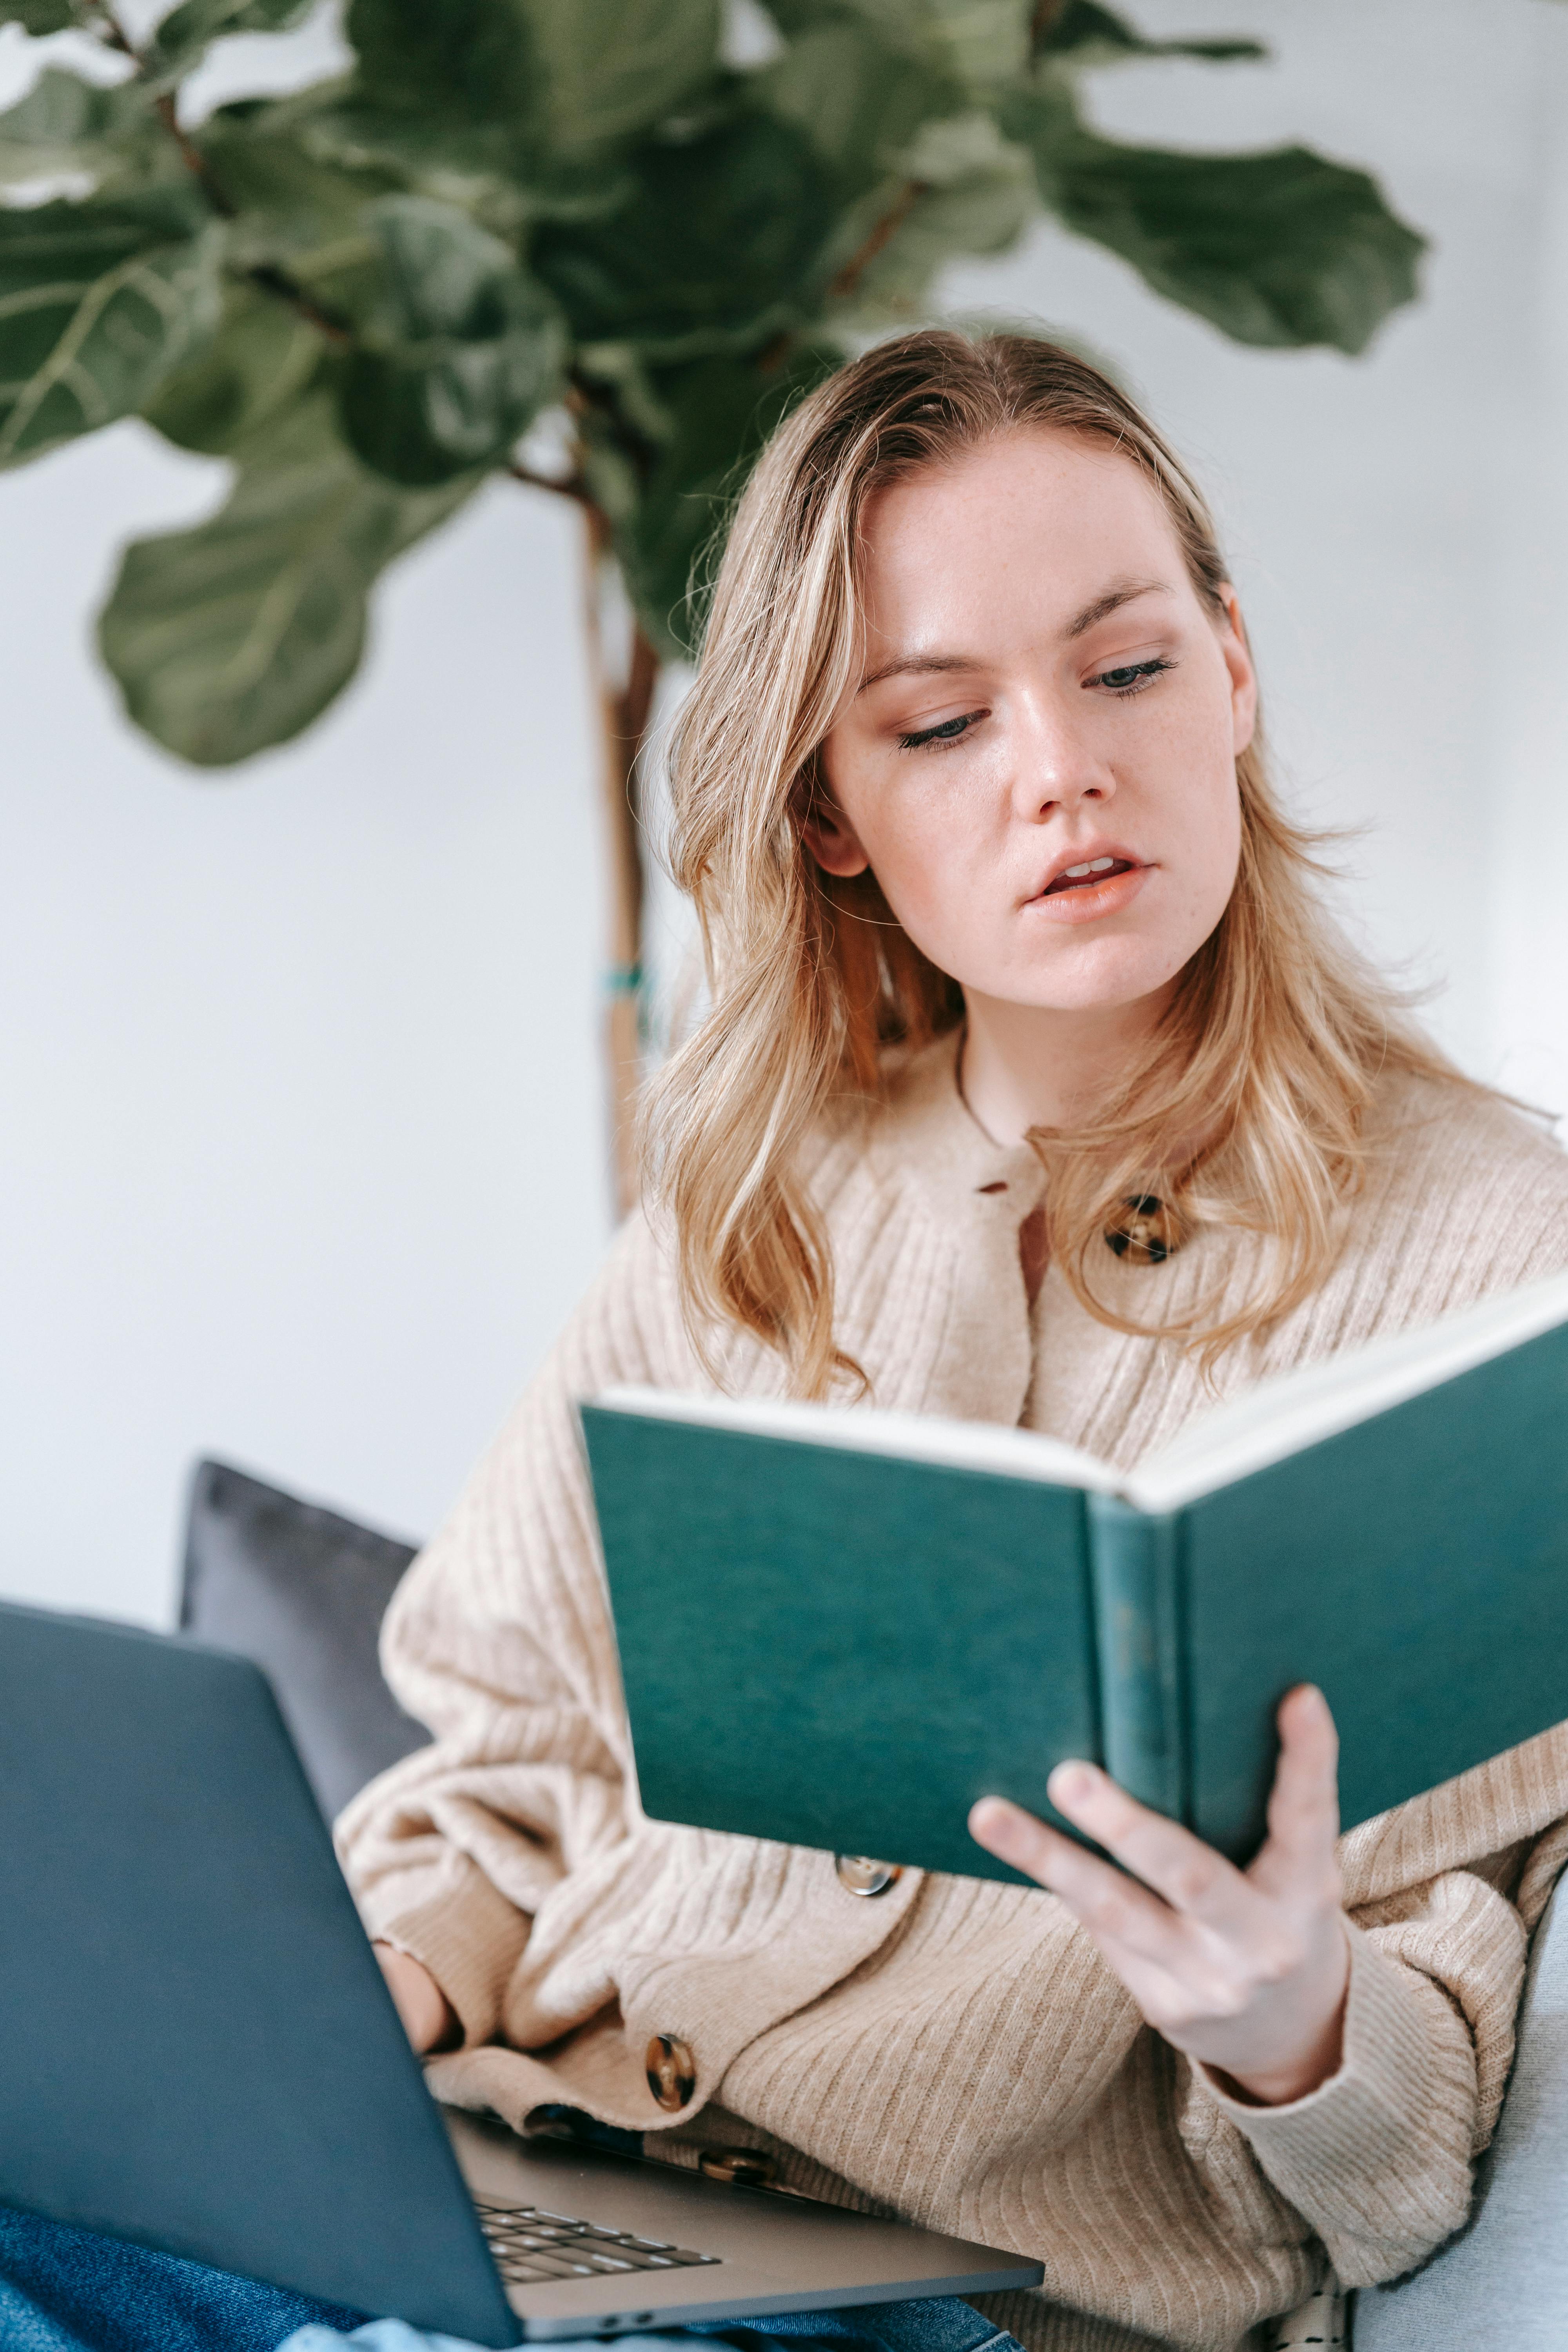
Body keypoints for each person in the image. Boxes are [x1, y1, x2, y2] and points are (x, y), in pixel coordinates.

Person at [6, 332, 1564, 2352]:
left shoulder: (1504, 1270)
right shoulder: (757, 1205)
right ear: (832, 808)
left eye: (1129, 666)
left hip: (973, 2306)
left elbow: (1409, 2155)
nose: (1059, 769)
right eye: (936, 724)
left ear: (1235, 667)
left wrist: (1293, 2026)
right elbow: (507, 1763)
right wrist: (371, 2006)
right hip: (542, 2187)